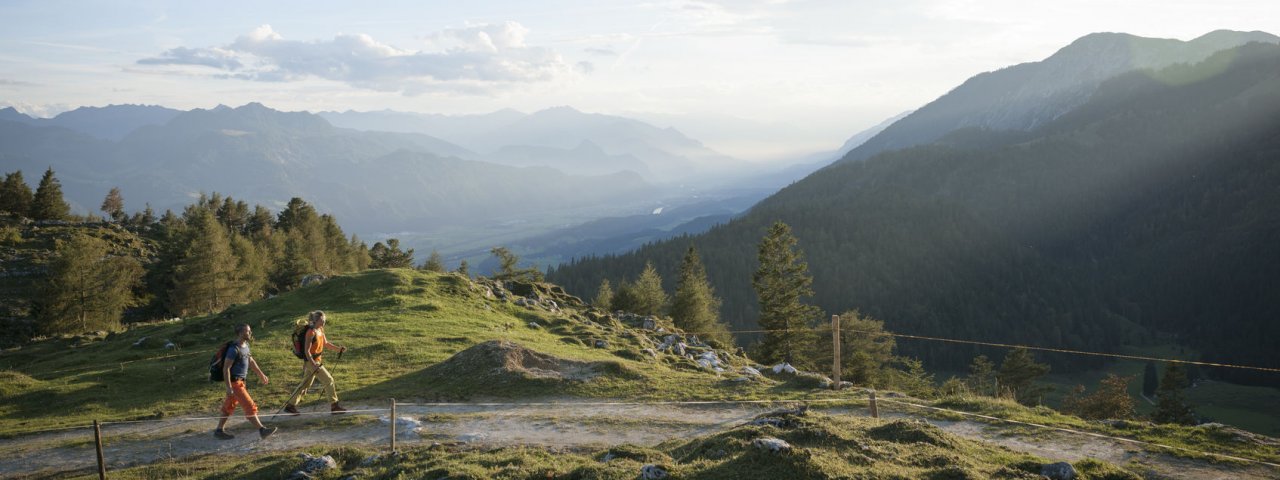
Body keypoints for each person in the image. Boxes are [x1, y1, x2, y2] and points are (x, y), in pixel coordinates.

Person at [215, 324, 277, 440]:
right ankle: (262, 430)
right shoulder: (233, 349)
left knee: (229, 406)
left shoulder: (246, 346)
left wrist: (261, 374)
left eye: (250, 331)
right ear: (240, 333)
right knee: (249, 406)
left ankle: (219, 430)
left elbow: (251, 361)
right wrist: (229, 387)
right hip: (235, 383)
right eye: (247, 331)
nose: (250, 333)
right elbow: (226, 368)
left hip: (241, 382)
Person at [284, 310, 347, 415]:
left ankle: (290, 406)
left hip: (315, 361)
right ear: (315, 321)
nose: (323, 322)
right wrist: (313, 364)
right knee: (329, 380)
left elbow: (326, 343)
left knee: (305, 384)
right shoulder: (310, 332)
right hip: (311, 362)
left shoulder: (320, 329)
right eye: (322, 320)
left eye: (324, 320)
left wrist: (338, 349)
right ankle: (334, 405)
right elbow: (306, 351)